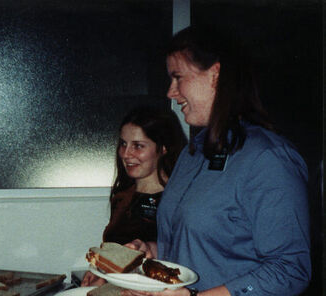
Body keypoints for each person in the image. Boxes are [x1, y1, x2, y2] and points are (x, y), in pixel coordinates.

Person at [122, 26, 311, 296]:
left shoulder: (267, 159)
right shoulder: (193, 155)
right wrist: (150, 250)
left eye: (178, 78)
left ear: (215, 74)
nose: (170, 92)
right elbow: (198, 244)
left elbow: (290, 269)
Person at [81, 106, 187, 287]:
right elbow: (117, 252)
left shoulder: (180, 199)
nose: (126, 154)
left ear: (163, 148)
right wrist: (100, 272)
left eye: (138, 146)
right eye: (123, 144)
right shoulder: (122, 196)